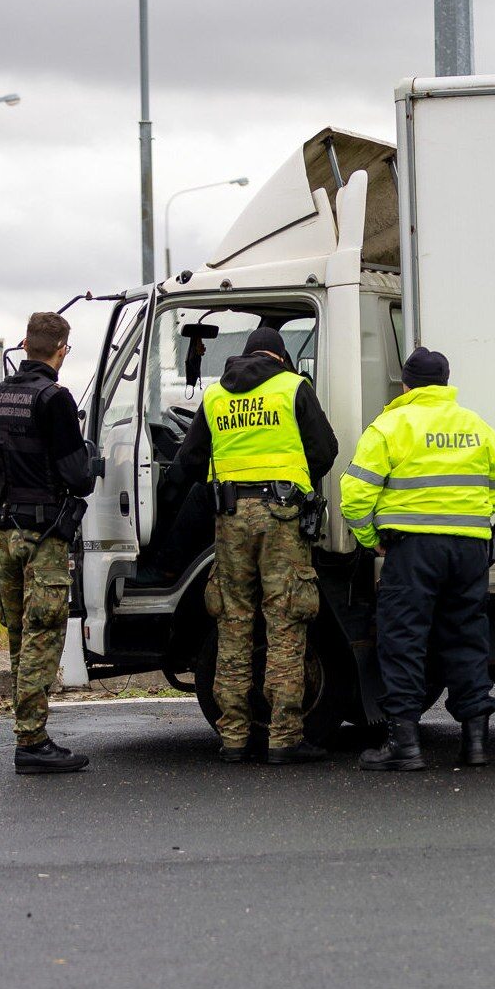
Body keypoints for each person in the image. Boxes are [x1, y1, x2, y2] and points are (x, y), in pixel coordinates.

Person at [167, 327, 339, 763]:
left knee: (233, 621)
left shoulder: (215, 397)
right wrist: (294, 481)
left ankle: (234, 738)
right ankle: (284, 738)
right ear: (281, 357)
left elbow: (189, 461)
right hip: (282, 517)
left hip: (230, 520)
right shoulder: (293, 387)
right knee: (285, 620)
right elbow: (325, 450)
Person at [341, 346, 495, 770]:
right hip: (470, 548)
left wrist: (370, 539)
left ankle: (405, 746)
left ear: (406, 383)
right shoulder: (477, 426)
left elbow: (355, 496)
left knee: (404, 640)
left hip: (413, 550)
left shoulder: (390, 426)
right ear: (446, 383)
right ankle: (475, 745)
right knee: (467, 638)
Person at [0, 311, 97, 774]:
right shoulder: (55, 398)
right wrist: (89, 458)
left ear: (25, 344)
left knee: (18, 634)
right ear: (61, 350)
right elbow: (77, 477)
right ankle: (31, 742)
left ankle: (27, 730)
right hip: (43, 536)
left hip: (6, 531)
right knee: (43, 635)